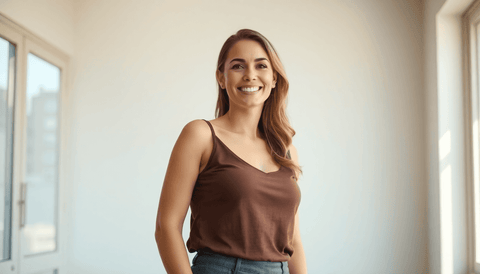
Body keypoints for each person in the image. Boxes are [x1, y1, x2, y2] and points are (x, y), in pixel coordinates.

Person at [155, 29, 307, 274]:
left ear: (274, 78)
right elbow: (167, 227)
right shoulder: (200, 135)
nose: (250, 75)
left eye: (261, 66)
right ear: (221, 78)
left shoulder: (286, 149)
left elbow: (294, 240)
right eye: (238, 66)